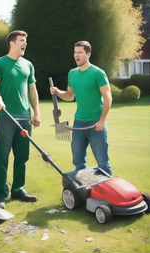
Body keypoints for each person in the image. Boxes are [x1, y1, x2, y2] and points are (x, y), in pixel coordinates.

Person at [0, 30, 41, 209]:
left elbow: (33, 90)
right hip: (6, 116)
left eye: (26, 40)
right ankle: (0, 194)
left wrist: (37, 113)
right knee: (2, 156)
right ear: (12, 43)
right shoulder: (0, 63)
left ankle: (18, 190)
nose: (25, 43)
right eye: (21, 40)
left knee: (22, 156)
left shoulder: (28, 65)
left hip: (24, 117)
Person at [50, 41, 112, 175]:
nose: (76, 55)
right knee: (78, 162)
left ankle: (107, 193)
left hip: (96, 123)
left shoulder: (98, 73)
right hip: (78, 123)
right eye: (75, 52)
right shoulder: (72, 73)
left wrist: (102, 120)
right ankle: (83, 192)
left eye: (80, 52)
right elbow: (70, 96)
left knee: (103, 164)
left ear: (88, 54)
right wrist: (58, 92)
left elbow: (107, 97)